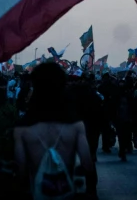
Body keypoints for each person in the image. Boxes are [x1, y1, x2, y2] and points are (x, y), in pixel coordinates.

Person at [13, 62, 97, 199]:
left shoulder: (22, 129)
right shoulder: (76, 126)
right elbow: (87, 164)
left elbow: (20, 171)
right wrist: (90, 192)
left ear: (35, 86)